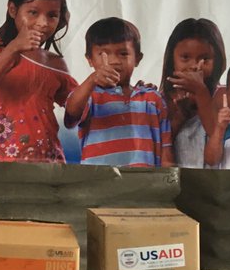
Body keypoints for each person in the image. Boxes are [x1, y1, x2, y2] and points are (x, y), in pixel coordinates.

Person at [0, 0, 76, 163]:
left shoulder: (54, 62)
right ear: (12, 9)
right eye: (33, 12)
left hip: (51, 162)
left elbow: (74, 116)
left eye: (52, 15)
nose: (43, 23)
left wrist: (97, 81)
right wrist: (14, 48)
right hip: (3, 160)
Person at [64, 17, 173, 167]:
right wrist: (92, 80)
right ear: (90, 59)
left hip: (145, 180)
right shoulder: (90, 96)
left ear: (138, 58)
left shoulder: (153, 99)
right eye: (104, 54)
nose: (114, 61)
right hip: (99, 180)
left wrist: (167, 179)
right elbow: (72, 112)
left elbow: (166, 150)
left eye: (123, 53)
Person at [159, 18, 226, 169]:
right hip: (179, 179)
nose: (194, 66)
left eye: (205, 59)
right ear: (172, 59)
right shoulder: (163, 99)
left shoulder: (223, 95)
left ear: (217, 60)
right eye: (185, 58)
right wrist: (179, 118)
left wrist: (201, 92)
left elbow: (217, 135)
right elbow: (159, 148)